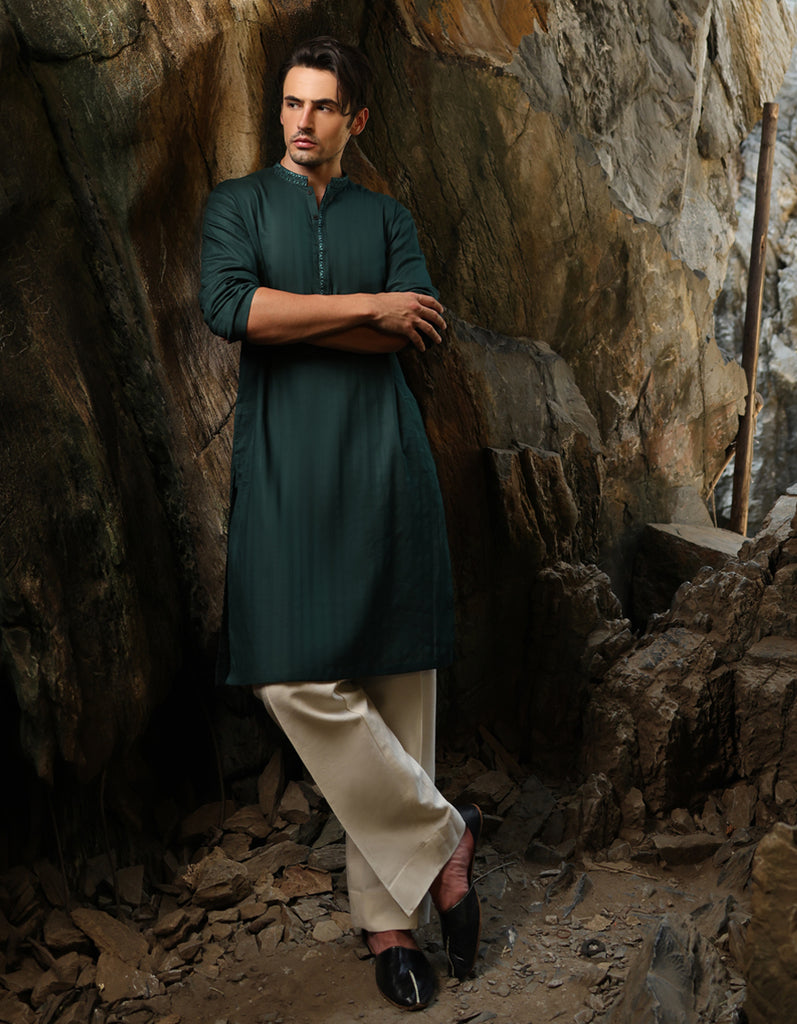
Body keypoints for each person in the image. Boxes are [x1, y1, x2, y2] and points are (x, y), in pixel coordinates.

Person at [199, 36, 481, 1010]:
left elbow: (418, 327)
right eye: (290, 103)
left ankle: (390, 927)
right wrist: (367, 308)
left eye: (321, 106)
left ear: (355, 119)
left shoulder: (388, 217)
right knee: (288, 674)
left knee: (399, 684)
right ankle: (444, 837)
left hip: (383, 464)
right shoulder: (236, 205)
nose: (301, 121)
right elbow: (232, 307)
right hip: (285, 469)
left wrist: (314, 316)